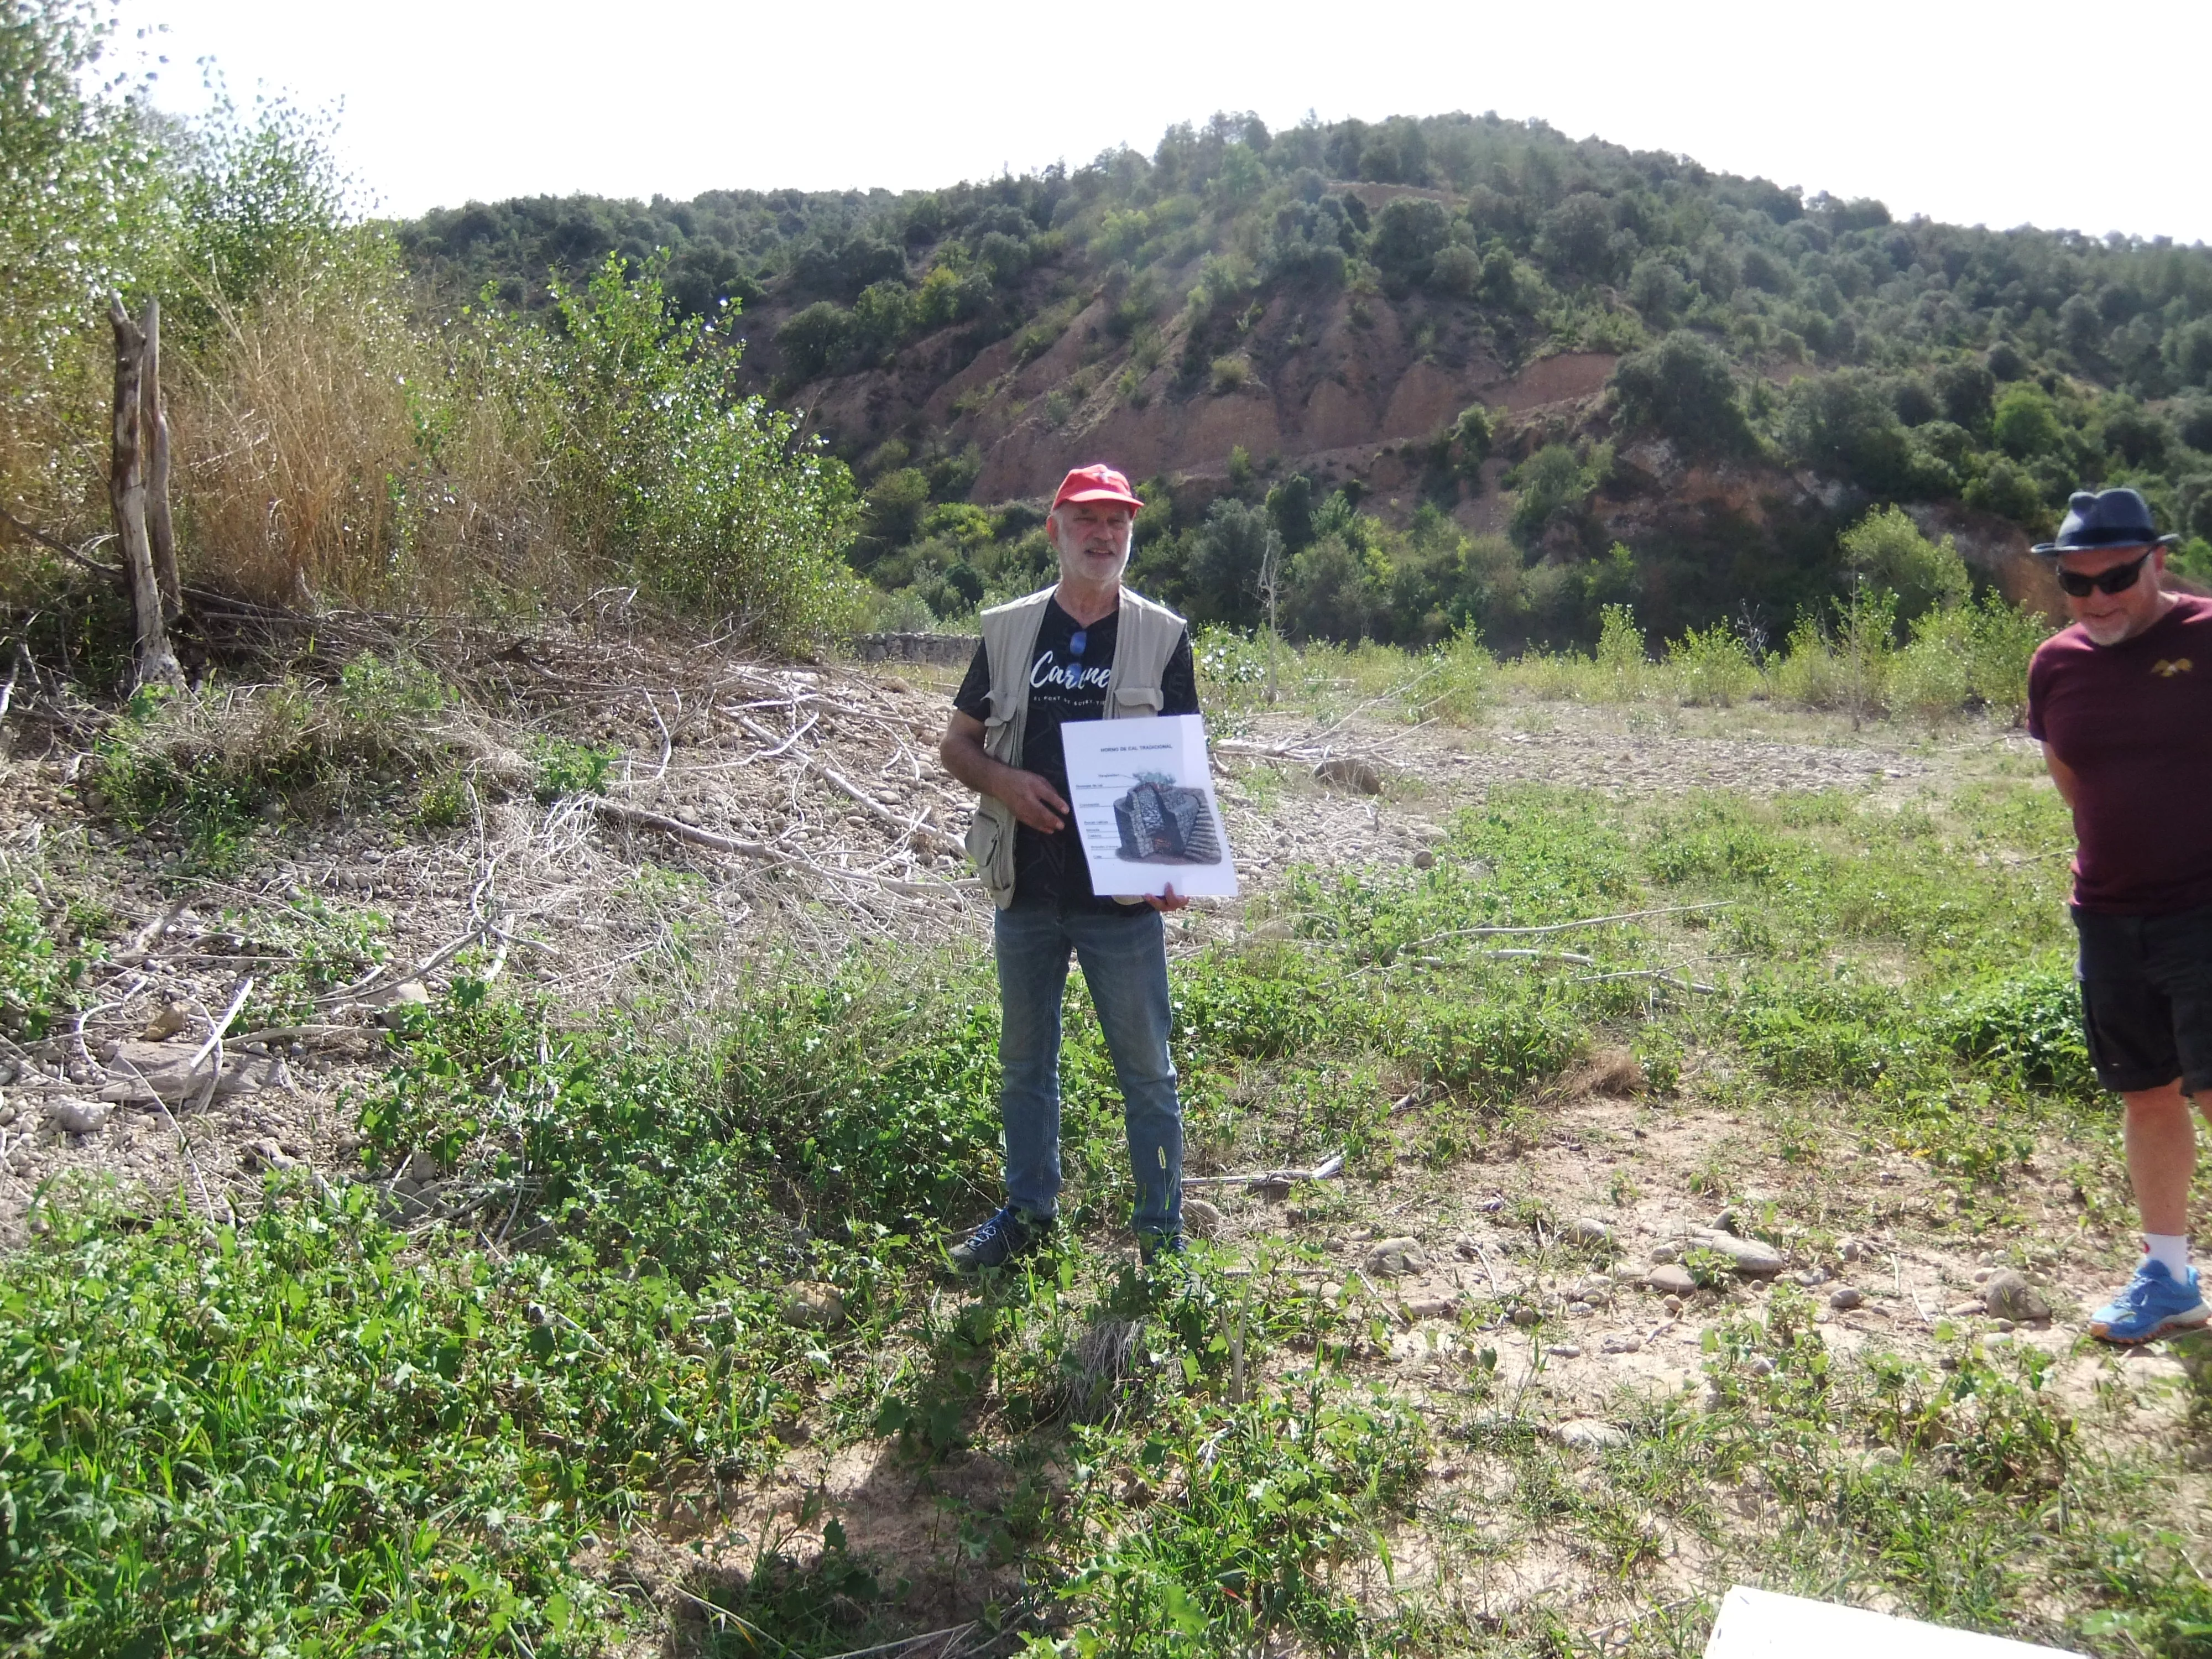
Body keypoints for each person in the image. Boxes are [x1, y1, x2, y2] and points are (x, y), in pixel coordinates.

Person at [938, 463, 1200, 1271]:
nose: (1104, 535)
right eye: (1087, 520)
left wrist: (1175, 865)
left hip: (1120, 902)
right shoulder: (1012, 631)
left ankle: (1162, 1236)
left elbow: (1180, 767)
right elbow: (956, 744)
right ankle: (1028, 1213)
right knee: (1024, 1064)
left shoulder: (1162, 636)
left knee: (1149, 1075)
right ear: (1054, 530)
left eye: (1118, 523)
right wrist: (1005, 784)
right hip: (1026, 890)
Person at [2026, 487, 2212, 1343]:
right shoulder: (2055, 663)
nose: (2098, 598)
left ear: (2159, 561)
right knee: (2147, 1095)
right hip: (2108, 912)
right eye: (2078, 583)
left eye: (2117, 577)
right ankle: (2170, 1279)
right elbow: (2073, 775)